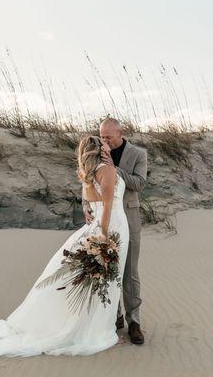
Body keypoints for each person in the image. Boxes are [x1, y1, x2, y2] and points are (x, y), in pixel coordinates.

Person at [0, 135, 130, 357]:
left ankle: (90, 328)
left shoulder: (90, 174)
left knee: (99, 284)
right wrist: (103, 238)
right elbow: (106, 207)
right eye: (103, 141)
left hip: (96, 228)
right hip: (109, 230)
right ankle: (94, 332)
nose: (107, 142)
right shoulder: (107, 170)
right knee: (105, 282)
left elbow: (94, 202)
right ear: (99, 149)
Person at [83, 117, 147, 345]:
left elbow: (139, 184)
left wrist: (114, 167)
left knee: (129, 272)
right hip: (104, 220)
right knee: (108, 269)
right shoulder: (96, 151)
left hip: (128, 219)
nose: (104, 140)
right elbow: (89, 180)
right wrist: (86, 206)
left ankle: (135, 322)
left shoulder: (138, 154)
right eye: (102, 136)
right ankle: (115, 316)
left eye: (108, 136)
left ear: (121, 134)